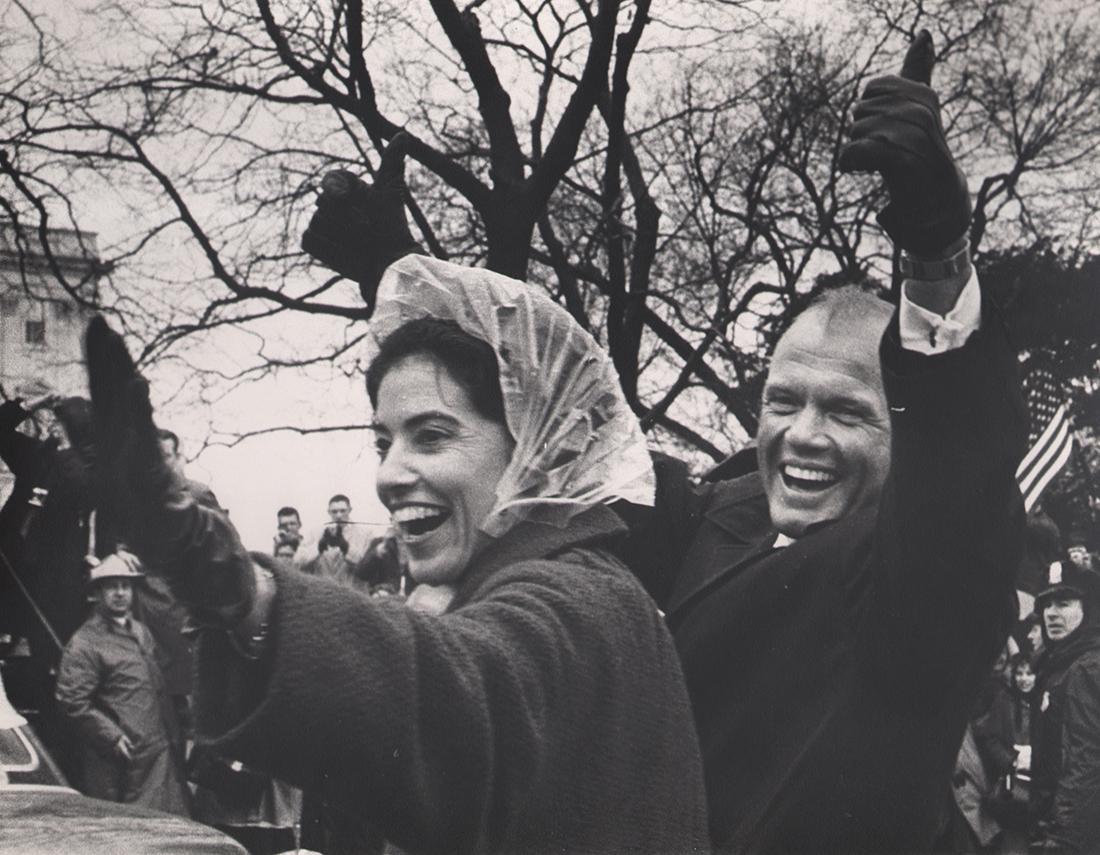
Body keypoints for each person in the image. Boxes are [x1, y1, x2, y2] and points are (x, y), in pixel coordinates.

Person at [82, 204, 710, 852]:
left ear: (538, 447)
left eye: (432, 435)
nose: (388, 474)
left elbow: (460, 691)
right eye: (383, 442)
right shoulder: (549, 582)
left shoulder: (578, 600)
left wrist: (238, 587)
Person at [614, 32, 1025, 853]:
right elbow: (575, 446)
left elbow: (957, 459)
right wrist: (415, 291)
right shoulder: (719, 515)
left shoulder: (919, 577)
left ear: (902, 432)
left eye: (845, 411)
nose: (802, 435)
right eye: (783, 401)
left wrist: (937, 249)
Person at [54, 552, 190, 816]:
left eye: (125, 586)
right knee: (128, 830)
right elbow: (71, 701)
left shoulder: (141, 631)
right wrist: (111, 736)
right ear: (98, 592)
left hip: (158, 753)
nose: (119, 593)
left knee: (169, 830)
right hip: (120, 763)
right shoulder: (85, 643)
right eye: (111, 586)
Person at [1028, 559, 1100, 853]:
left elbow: (1084, 761)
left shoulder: (1086, 667)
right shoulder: (1059, 665)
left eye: (1064, 603)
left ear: (1087, 610)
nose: (1051, 614)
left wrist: (1063, 841)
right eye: (1046, 605)